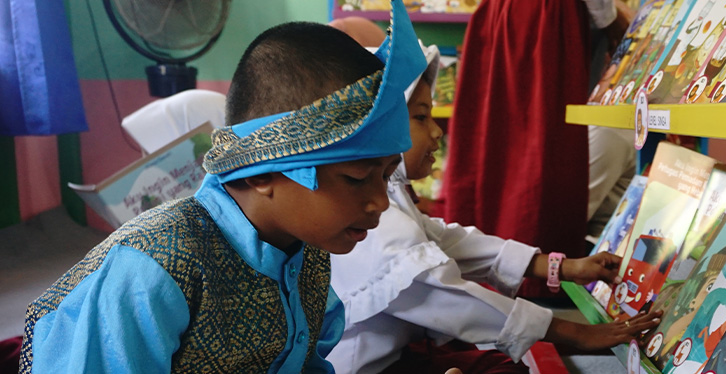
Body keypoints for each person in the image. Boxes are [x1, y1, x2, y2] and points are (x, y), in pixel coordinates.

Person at [18, 2, 428, 371]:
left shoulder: (309, 259)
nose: (379, 201)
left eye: (386, 173)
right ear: (261, 173)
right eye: (357, 177)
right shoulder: (155, 268)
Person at [327, 41, 663, 374]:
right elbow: (449, 298)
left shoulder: (393, 196)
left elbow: (448, 241)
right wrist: (576, 333)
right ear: (380, 129)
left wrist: (563, 268)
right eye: (420, 117)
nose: (436, 131)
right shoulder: (374, 216)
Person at [436, 0, 635, 300]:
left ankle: (489, 277)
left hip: (504, 13)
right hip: (543, 16)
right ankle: (531, 284)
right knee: (540, 144)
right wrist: (611, 21)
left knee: (499, 140)